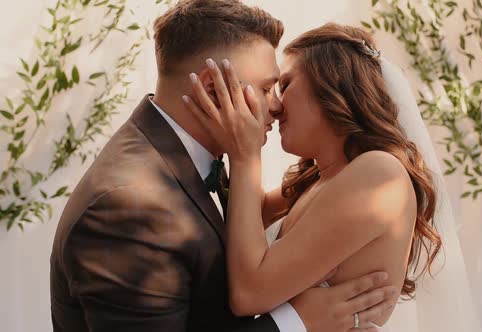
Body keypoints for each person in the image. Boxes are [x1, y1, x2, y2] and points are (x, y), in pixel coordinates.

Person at [49, 3, 396, 332]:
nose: (275, 106)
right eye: (266, 88)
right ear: (214, 90)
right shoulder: (130, 208)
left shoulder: (191, 159)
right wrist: (295, 323)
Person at [182, 23, 444, 331]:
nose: (275, 106)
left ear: (331, 85)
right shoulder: (321, 177)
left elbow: (249, 293)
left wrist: (246, 155)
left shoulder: (378, 174)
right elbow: (246, 217)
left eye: (286, 84)